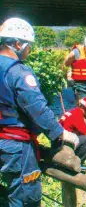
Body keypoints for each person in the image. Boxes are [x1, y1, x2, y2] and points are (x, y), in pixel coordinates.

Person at [0, 17, 81, 207]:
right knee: (26, 197)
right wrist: (60, 134)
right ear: (17, 44)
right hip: (17, 145)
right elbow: (37, 109)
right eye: (28, 45)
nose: (30, 50)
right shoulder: (18, 72)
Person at [63, 34, 86, 134]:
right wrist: (63, 73)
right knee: (82, 109)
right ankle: (80, 130)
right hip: (80, 84)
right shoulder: (76, 52)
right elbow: (66, 62)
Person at [59, 97, 86, 162]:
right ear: (83, 108)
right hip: (63, 143)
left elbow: (79, 131)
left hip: (60, 139)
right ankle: (77, 161)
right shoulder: (77, 115)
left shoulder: (73, 111)